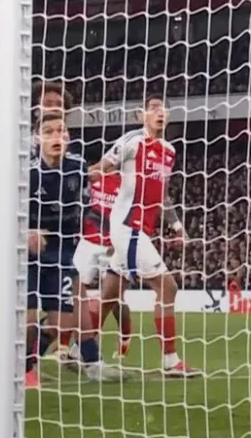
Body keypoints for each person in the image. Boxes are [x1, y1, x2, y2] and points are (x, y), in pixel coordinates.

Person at [89, 95, 200, 377]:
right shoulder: (132, 141)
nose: (159, 112)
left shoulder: (169, 151)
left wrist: (177, 226)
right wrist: (80, 177)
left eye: (164, 109)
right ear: (142, 115)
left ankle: (81, 347)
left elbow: (162, 195)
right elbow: (102, 167)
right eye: (153, 108)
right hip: (127, 227)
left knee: (110, 295)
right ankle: (170, 361)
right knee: (168, 288)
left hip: (141, 230)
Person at [22, 113, 124, 388]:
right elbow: (4, 215)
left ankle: (31, 360)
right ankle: (26, 370)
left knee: (62, 321)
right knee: (28, 316)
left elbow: (88, 201)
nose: (56, 136)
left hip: (63, 252)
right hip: (28, 255)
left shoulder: (77, 168)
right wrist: (27, 231)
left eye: (61, 131)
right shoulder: (27, 172)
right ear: (37, 138)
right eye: (49, 132)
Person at [71, 171, 132, 359]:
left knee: (113, 298)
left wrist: (119, 242)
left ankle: (125, 337)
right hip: (88, 242)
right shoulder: (95, 177)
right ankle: (66, 347)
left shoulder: (128, 183)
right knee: (73, 291)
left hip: (112, 246)